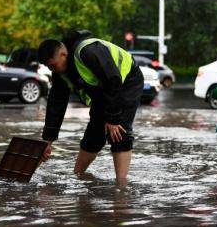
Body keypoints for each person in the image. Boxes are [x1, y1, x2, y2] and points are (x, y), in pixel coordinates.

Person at [37, 30, 144, 181]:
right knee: (95, 130)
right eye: (49, 68)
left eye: (53, 66)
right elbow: (56, 105)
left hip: (126, 81)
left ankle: (121, 186)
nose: (53, 70)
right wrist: (47, 141)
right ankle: (78, 175)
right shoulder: (60, 73)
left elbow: (113, 80)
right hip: (105, 90)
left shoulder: (88, 51)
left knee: (119, 131)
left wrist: (113, 118)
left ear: (63, 54)